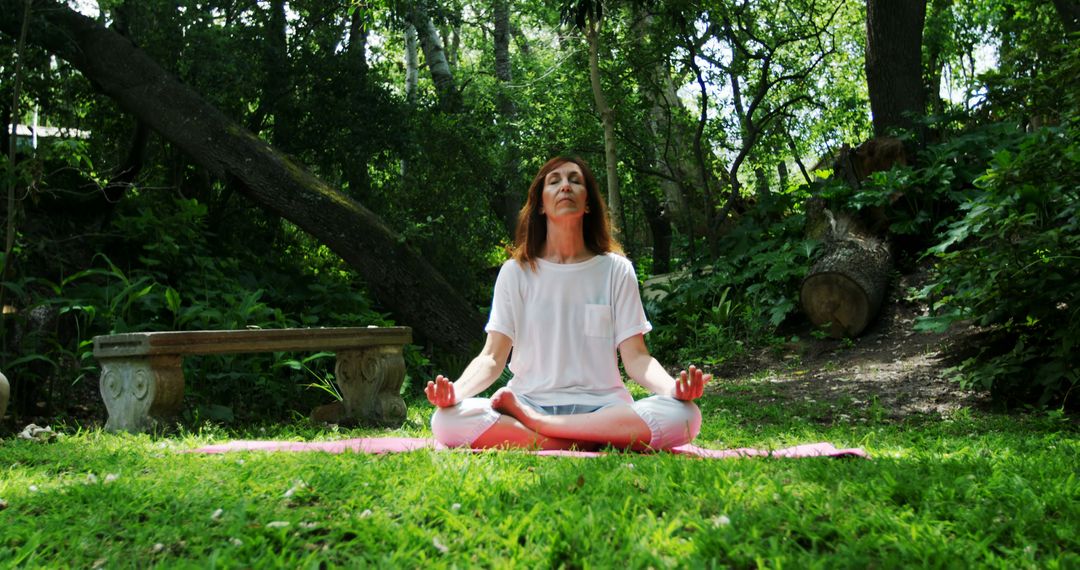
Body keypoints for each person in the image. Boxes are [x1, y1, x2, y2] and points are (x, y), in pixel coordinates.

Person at [426, 156, 710, 450]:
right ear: (540, 204)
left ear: (587, 203)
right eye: (554, 181)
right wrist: (455, 392)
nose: (565, 186)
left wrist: (672, 389)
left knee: (686, 415)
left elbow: (637, 358)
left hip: (603, 409)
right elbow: (491, 358)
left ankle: (543, 432)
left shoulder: (616, 269)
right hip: (528, 400)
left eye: (575, 180)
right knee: (446, 421)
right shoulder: (515, 272)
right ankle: (592, 440)